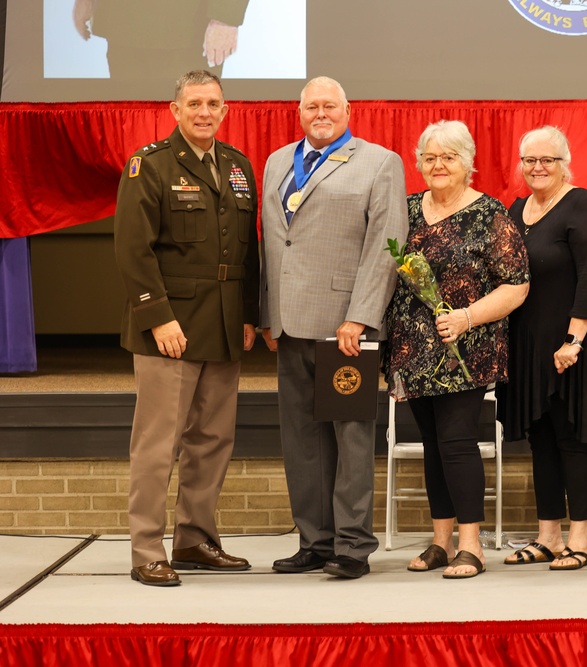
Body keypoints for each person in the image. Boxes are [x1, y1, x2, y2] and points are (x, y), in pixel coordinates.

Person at [114, 69, 259, 587]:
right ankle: (146, 549)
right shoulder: (148, 165)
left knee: (213, 440)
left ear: (225, 111)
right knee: (157, 444)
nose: (204, 112)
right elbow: (133, 250)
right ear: (175, 110)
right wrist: (159, 318)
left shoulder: (238, 166)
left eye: (213, 104)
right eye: (194, 103)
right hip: (169, 328)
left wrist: (248, 314)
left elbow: (248, 251)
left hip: (222, 326)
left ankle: (195, 539)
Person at [260, 77, 407, 579]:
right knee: (301, 441)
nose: (320, 113)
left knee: (351, 440)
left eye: (330, 106)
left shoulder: (379, 162)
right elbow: (274, 247)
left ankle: (352, 545)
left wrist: (361, 316)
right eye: (312, 106)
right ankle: (315, 541)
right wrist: (267, 314)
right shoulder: (278, 162)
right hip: (290, 324)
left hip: (346, 328)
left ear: (349, 109)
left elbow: (386, 246)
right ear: (299, 112)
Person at [384, 120, 530, 579]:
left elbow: (517, 285)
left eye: (449, 156)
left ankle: (472, 546)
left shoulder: (490, 214)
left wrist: (467, 317)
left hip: (465, 349)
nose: (438, 165)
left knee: (457, 442)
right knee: (431, 446)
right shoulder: (405, 210)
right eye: (429, 157)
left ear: (469, 163)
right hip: (412, 348)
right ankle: (440, 543)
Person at [497, 126, 587, 571]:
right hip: (527, 346)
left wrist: (574, 340)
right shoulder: (517, 209)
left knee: (573, 439)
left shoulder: (582, 205)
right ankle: (548, 536)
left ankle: (580, 539)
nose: (537, 168)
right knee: (541, 440)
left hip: (571, 346)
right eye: (529, 160)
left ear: (563, 162)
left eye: (547, 160)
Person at [73, 0, 248, 77]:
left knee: (188, 137)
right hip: (122, 22)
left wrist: (225, 17)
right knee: (131, 132)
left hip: (188, 28)